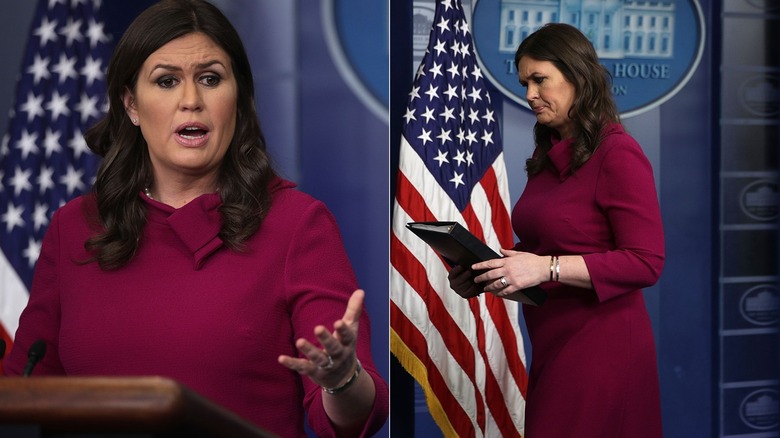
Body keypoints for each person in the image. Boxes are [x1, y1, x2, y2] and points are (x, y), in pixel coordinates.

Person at [4, 0, 388, 436]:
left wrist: (341, 382)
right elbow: (28, 385)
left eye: (210, 79)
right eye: (166, 81)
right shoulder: (74, 226)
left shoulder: (297, 225)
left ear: (237, 97)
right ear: (131, 104)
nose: (191, 100)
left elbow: (352, 417)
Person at [448, 23, 665, 437]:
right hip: (552, 342)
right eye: (525, 82)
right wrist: (485, 270)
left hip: (603, 349)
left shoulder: (618, 153)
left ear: (578, 77)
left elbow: (646, 262)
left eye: (540, 80)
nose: (529, 94)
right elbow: (543, 247)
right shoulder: (548, 154)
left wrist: (546, 268)